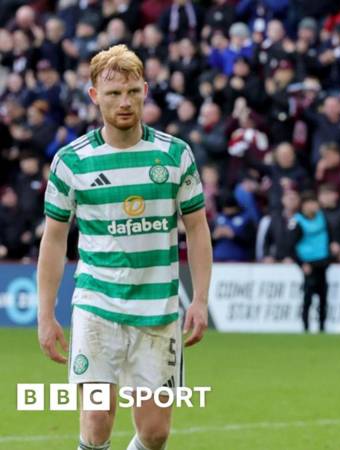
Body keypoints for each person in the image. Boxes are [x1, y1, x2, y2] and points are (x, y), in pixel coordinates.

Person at [36, 44, 212, 450]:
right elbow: (54, 239)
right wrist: (46, 314)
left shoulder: (174, 154)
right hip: (97, 305)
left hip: (158, 309)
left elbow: (197, 228)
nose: (125, 102)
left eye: (133, 91)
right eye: (114, 93)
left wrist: (200, 299)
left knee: (155, 433)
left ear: (145, 91)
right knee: (96, 421)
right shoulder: (72, 162)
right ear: (94, 96)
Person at [292, 193, 332, 332]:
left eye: (315, 202)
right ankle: (305, 328)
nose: (314, 206)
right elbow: (290, 245)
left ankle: (322, 328)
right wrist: (301, 263)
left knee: (323, 298)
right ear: (303, 205)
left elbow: (330, 236)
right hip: (308, 264)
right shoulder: (297, 221)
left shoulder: (322, 217)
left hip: (322, 263)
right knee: (307, 298)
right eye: (310, 203)